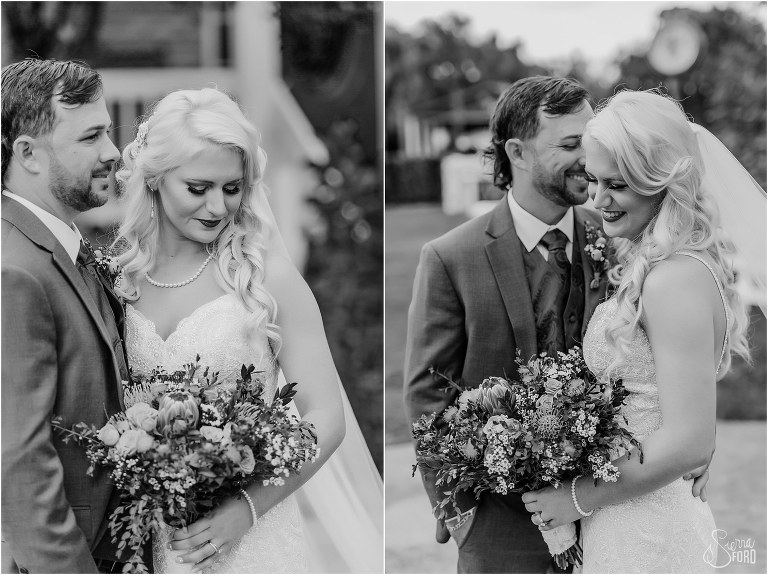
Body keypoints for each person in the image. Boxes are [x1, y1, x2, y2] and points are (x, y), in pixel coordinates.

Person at [114, 87, 382, 573]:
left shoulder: (266, 280)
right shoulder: (119, 283)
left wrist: (248, 508)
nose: (217, 207)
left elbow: (327, 416)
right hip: (147, 542)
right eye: (198, 188)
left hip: (253, 542)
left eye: (231, 188)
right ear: (154, 179)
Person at [522, 89, 756, 573]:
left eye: (618, 185)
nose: (598, 199)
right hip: (635, 513)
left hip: (650, 532)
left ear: (662, 183)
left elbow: (690, 440)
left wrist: (576, 498)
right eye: (594, 179)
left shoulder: (674, 279)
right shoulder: (665, 266)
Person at [404, 76, 609, 573]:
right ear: (517, 152)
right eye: (569, 144)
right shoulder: (451, 257)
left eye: (592, 140)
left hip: (613, 504)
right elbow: (428, 394)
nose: (590, 157)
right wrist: (459, 513)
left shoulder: (615, 238)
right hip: (501, 521)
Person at [1, 58, 137, 572]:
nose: (112, 152)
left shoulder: (65, 249)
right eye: (90, 137)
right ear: (28, 153)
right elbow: (18, 466)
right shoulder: (13, 272)